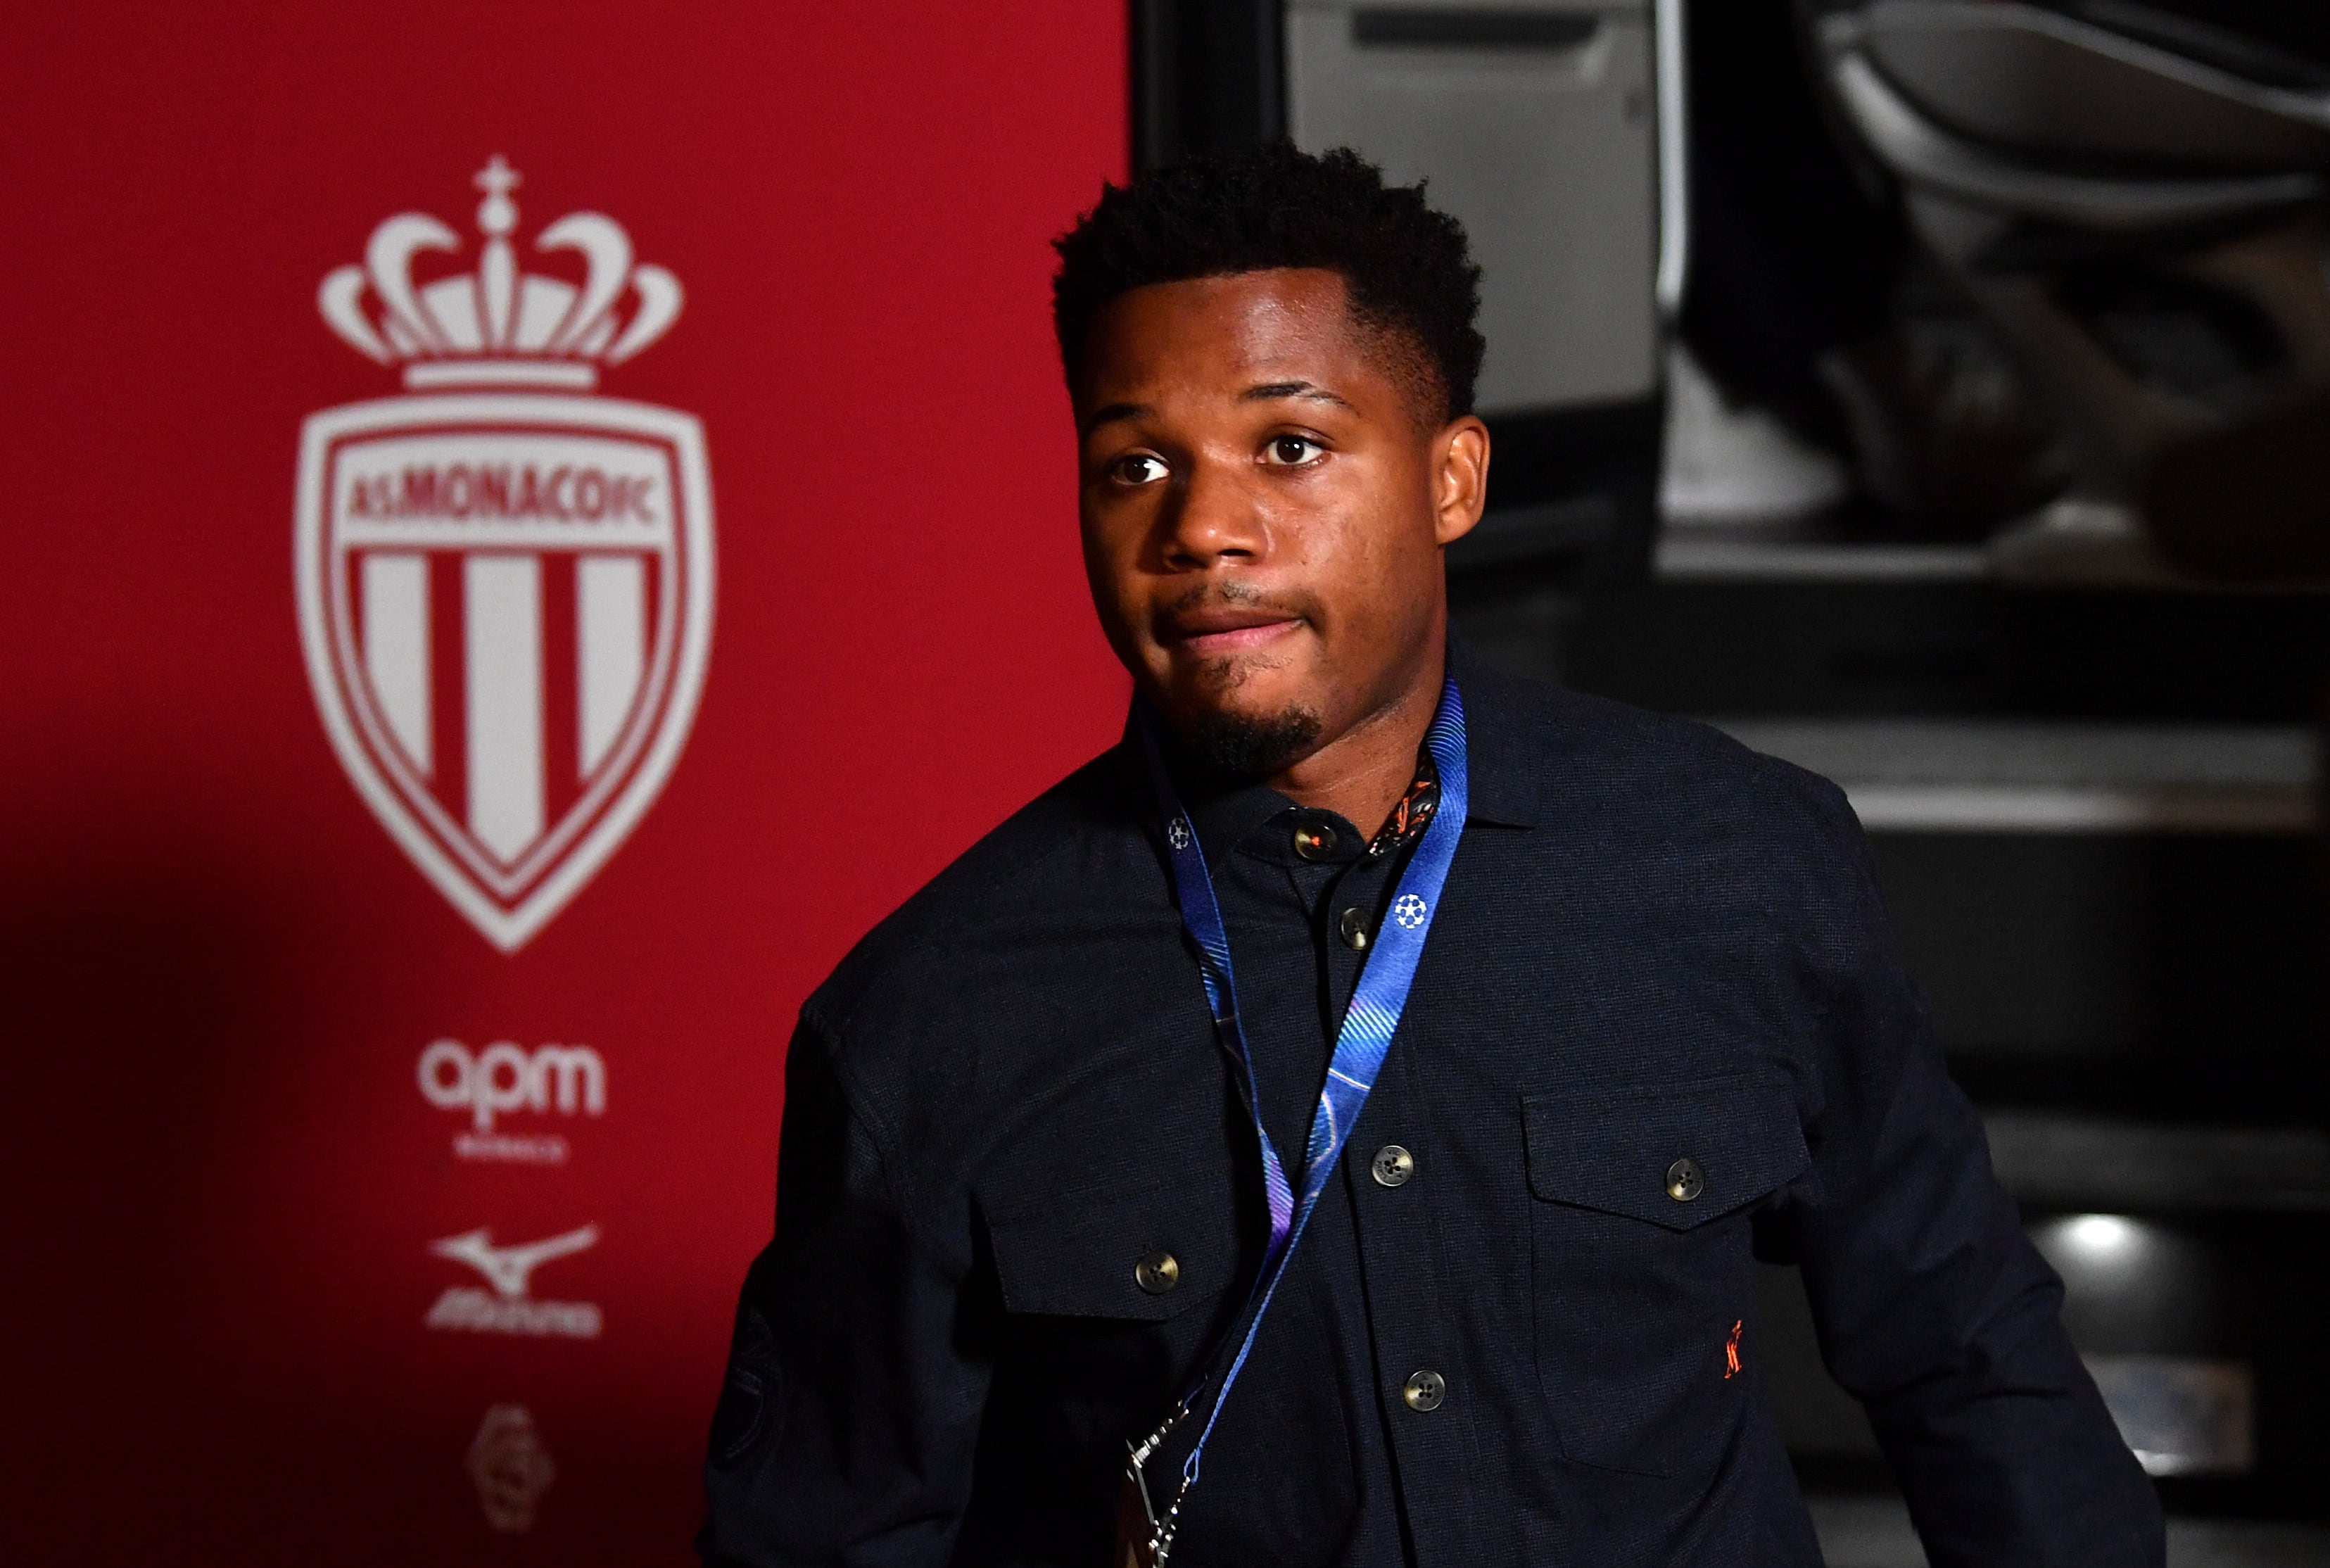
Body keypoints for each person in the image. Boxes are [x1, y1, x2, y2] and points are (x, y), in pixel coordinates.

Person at [697, 144, 2163, 1567]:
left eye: (1291, 445)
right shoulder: (932, 1015)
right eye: (1135, 462)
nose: (1203, 526)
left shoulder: (1737, 861)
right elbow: (826, 1531)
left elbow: (1969, 1358)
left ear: (1451, 479)